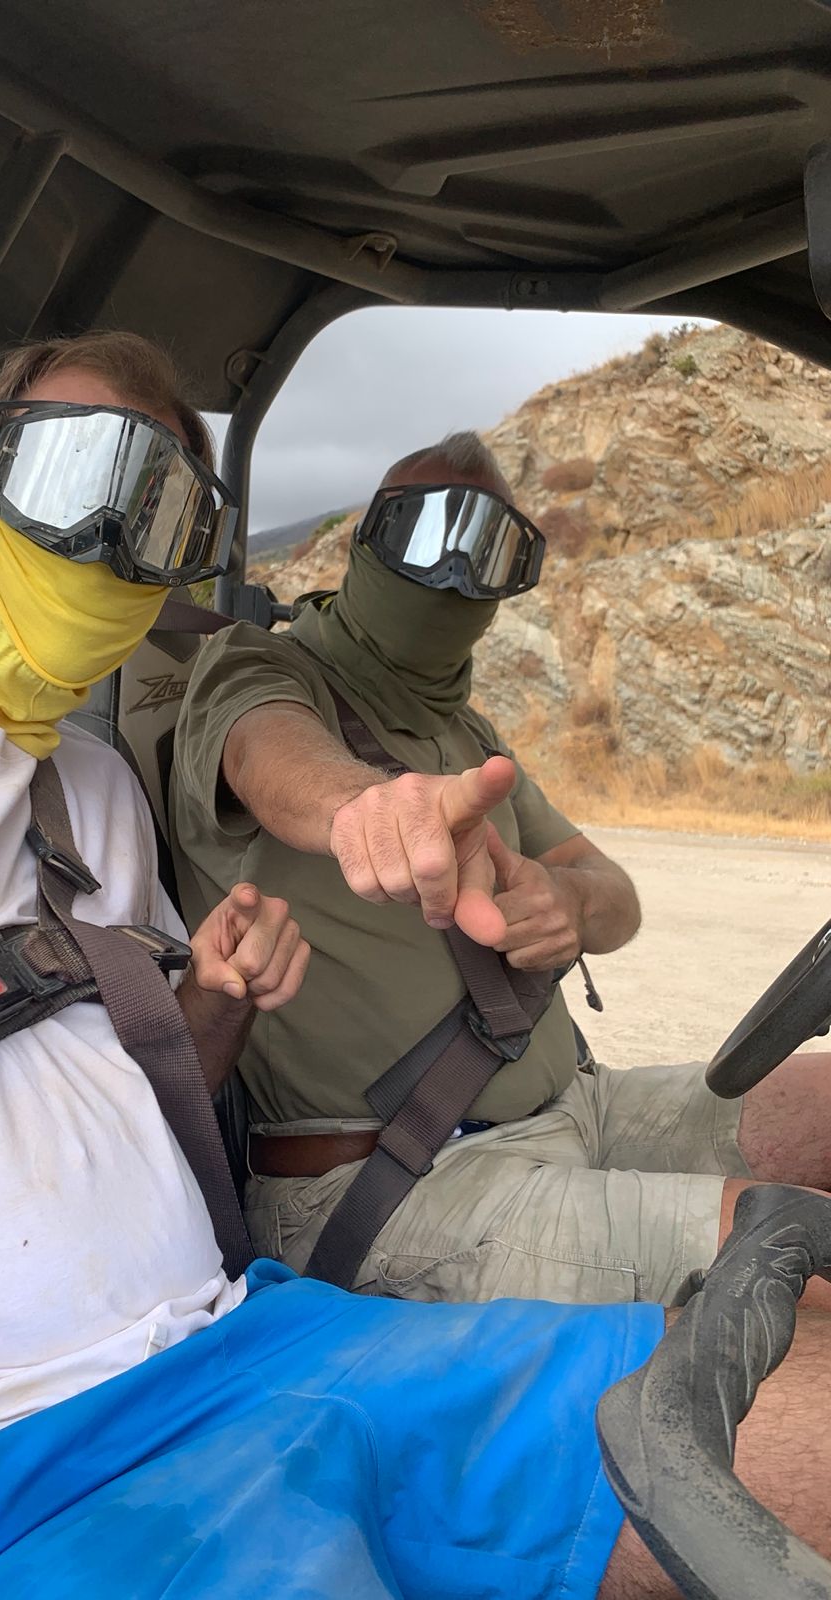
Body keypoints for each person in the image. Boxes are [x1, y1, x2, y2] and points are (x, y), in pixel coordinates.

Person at [0, 340, 825, 1600]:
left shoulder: (91, 788)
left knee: (782, 1384)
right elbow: (273, 747)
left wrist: (215, 998)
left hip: (247, 1348)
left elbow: (160, 1097)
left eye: (157, 515)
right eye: (69, 468)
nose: (102, 536)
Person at [169, 430, 831, 1311]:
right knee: (794, 1262)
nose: (450, 571)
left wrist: (569, 902)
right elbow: (266, 751)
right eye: (420, 530)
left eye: (489, 548)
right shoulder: (261, 667)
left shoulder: (466, 733)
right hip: (399, 1176)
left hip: (581, 1108)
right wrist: (371, 809)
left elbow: (613, 893)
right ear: (365, 542)